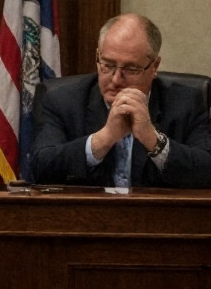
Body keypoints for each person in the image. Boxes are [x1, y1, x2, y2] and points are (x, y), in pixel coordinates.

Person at [31, 13, 211, 187]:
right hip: (85, 215)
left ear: (154, 67)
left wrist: (153, 140)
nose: (116, 79)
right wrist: (104, 138)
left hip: (160, 216)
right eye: (108, 65)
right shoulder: (61, 101)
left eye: (131, 69)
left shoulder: (188, 103)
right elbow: (40, 168)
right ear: (97, 57)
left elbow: (206, 170)